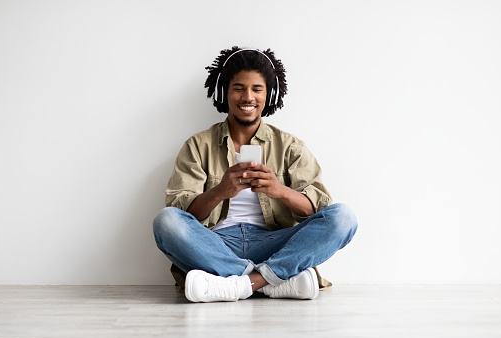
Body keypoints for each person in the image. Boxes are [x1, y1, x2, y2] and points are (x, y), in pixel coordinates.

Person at [153, 47, 357, 303]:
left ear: (268, 94)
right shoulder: (198, 145)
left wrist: (279, 190)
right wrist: (220, 192)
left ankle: (237, 284)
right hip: (217, 244)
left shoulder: (290, 146)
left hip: (274, 244)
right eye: (238, 88)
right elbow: (183, 217)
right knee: (165, 221)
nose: (247, 97)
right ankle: (272, 281)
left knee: (343, 217)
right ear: (224, 92)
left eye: (257, 89)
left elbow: (315, 212)